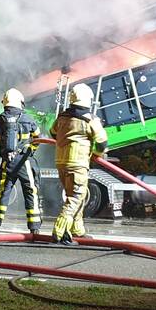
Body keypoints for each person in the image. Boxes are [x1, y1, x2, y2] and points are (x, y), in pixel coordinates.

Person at [50, 82, 107, 245]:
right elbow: (102, 142)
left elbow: (53, 132)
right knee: (76, 197)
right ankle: (60, 231)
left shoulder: (62, 117)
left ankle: (77, 230)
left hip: (61, 162)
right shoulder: (90, 119)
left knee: (77, 195)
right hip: (78, 163)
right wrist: (96, 154)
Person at [0, 88, 42, 236]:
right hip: (25, 161)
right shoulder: (28, 119)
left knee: (2, 192)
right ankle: (34, 228)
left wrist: (6, 149)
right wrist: (30, 149)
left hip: (7, 162)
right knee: (31, 191)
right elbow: (38, 138)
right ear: (20, 103)